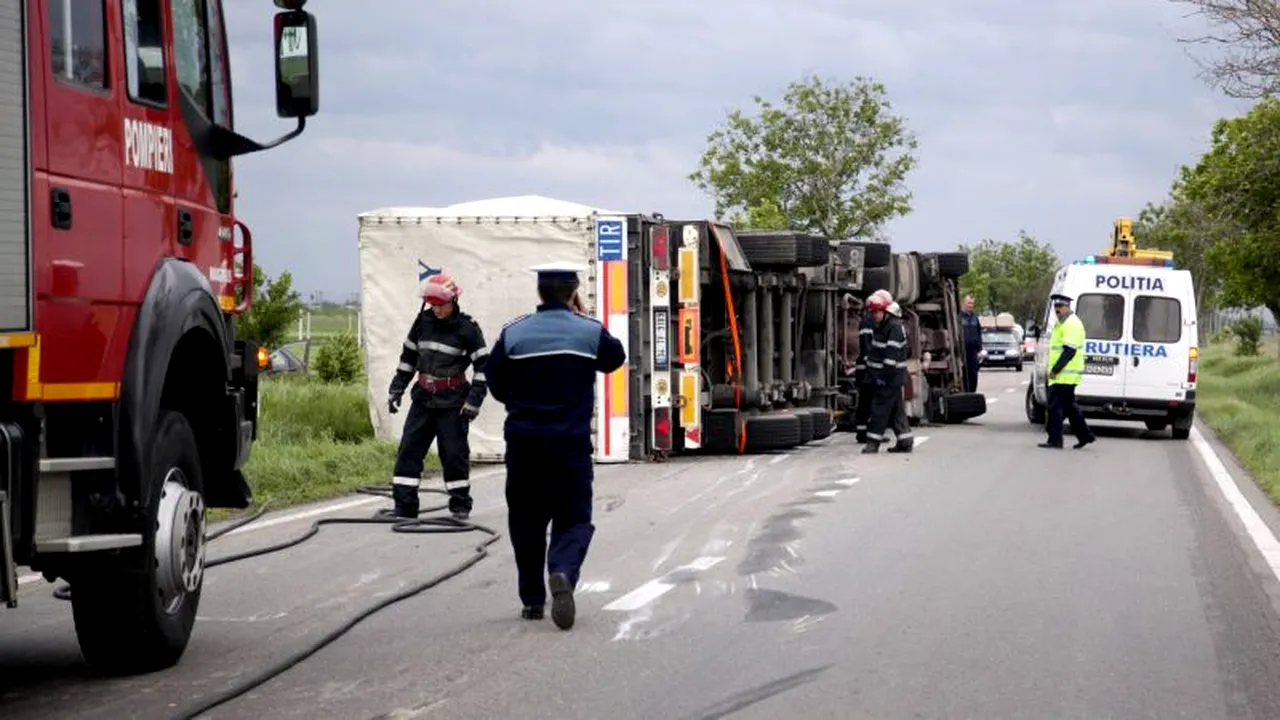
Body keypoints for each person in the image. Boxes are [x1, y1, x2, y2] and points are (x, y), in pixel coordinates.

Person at [484, 261, 626, 630]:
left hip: (525, 444)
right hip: (570, 447)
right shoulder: (589, 331)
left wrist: (520, 403)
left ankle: (532, 602)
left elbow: (495, 381)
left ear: (539, 292)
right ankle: (562, 571)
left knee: (526, 522)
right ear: (574, 291)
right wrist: (583, 319)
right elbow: (615, 359)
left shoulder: (514, 333)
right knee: (574, 519)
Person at [382, 273, 489, 521]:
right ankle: (405, 507)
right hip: (423, 399)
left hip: (454, 402)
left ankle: (460, 506)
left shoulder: (467, 329)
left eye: (441, 304)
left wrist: (474, 400)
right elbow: (408, 358)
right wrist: (397, 388)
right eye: (433, 305)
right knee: (408, 451)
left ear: (453, 300)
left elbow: (484, 367)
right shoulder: (422, 322)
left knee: (453, 454)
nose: (437, 310)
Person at [1040, 293, 1096, 450]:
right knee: (1070, 407)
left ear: (1067, 307)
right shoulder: (1063, 322)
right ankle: (1085, 436)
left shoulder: (1071, 324)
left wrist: (1055, 370)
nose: (1057, 309)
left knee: (1054, 406)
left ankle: (1055, 440)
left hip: (1064, 374)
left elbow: (1069, 351)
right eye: (1056, 307)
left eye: (1060, 307)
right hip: (1064, 375)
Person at [862, 296, 913, 454]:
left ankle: (873, 442)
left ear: (886, 312)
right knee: (896, 410)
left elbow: (890, 359)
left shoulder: (894, 328)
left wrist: (882, 379)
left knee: (879, 409)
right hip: (887, 377)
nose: (874, 316)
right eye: (873, 312)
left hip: (889, 377)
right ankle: (905, 441)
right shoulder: (883, 326)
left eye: (877, 312)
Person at [854, 289, 893, 442]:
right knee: (873, 402)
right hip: (870, 369)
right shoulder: (871, 322)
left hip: (865, 368)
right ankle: (870, 433)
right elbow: (869, 348)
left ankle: (862, 432)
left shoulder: (866, 321)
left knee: (865, 402)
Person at [959, 295, 982, 392]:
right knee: (964, 372)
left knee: (973, 373)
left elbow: (979, 333)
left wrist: (980, 348)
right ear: (963, 303)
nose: (970, 305)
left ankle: (972, 391)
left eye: (972, 303)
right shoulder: (959, 317)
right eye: (968, 303)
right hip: (962, 350)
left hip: (973, 351)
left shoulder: (975, 318)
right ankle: (965, 391)